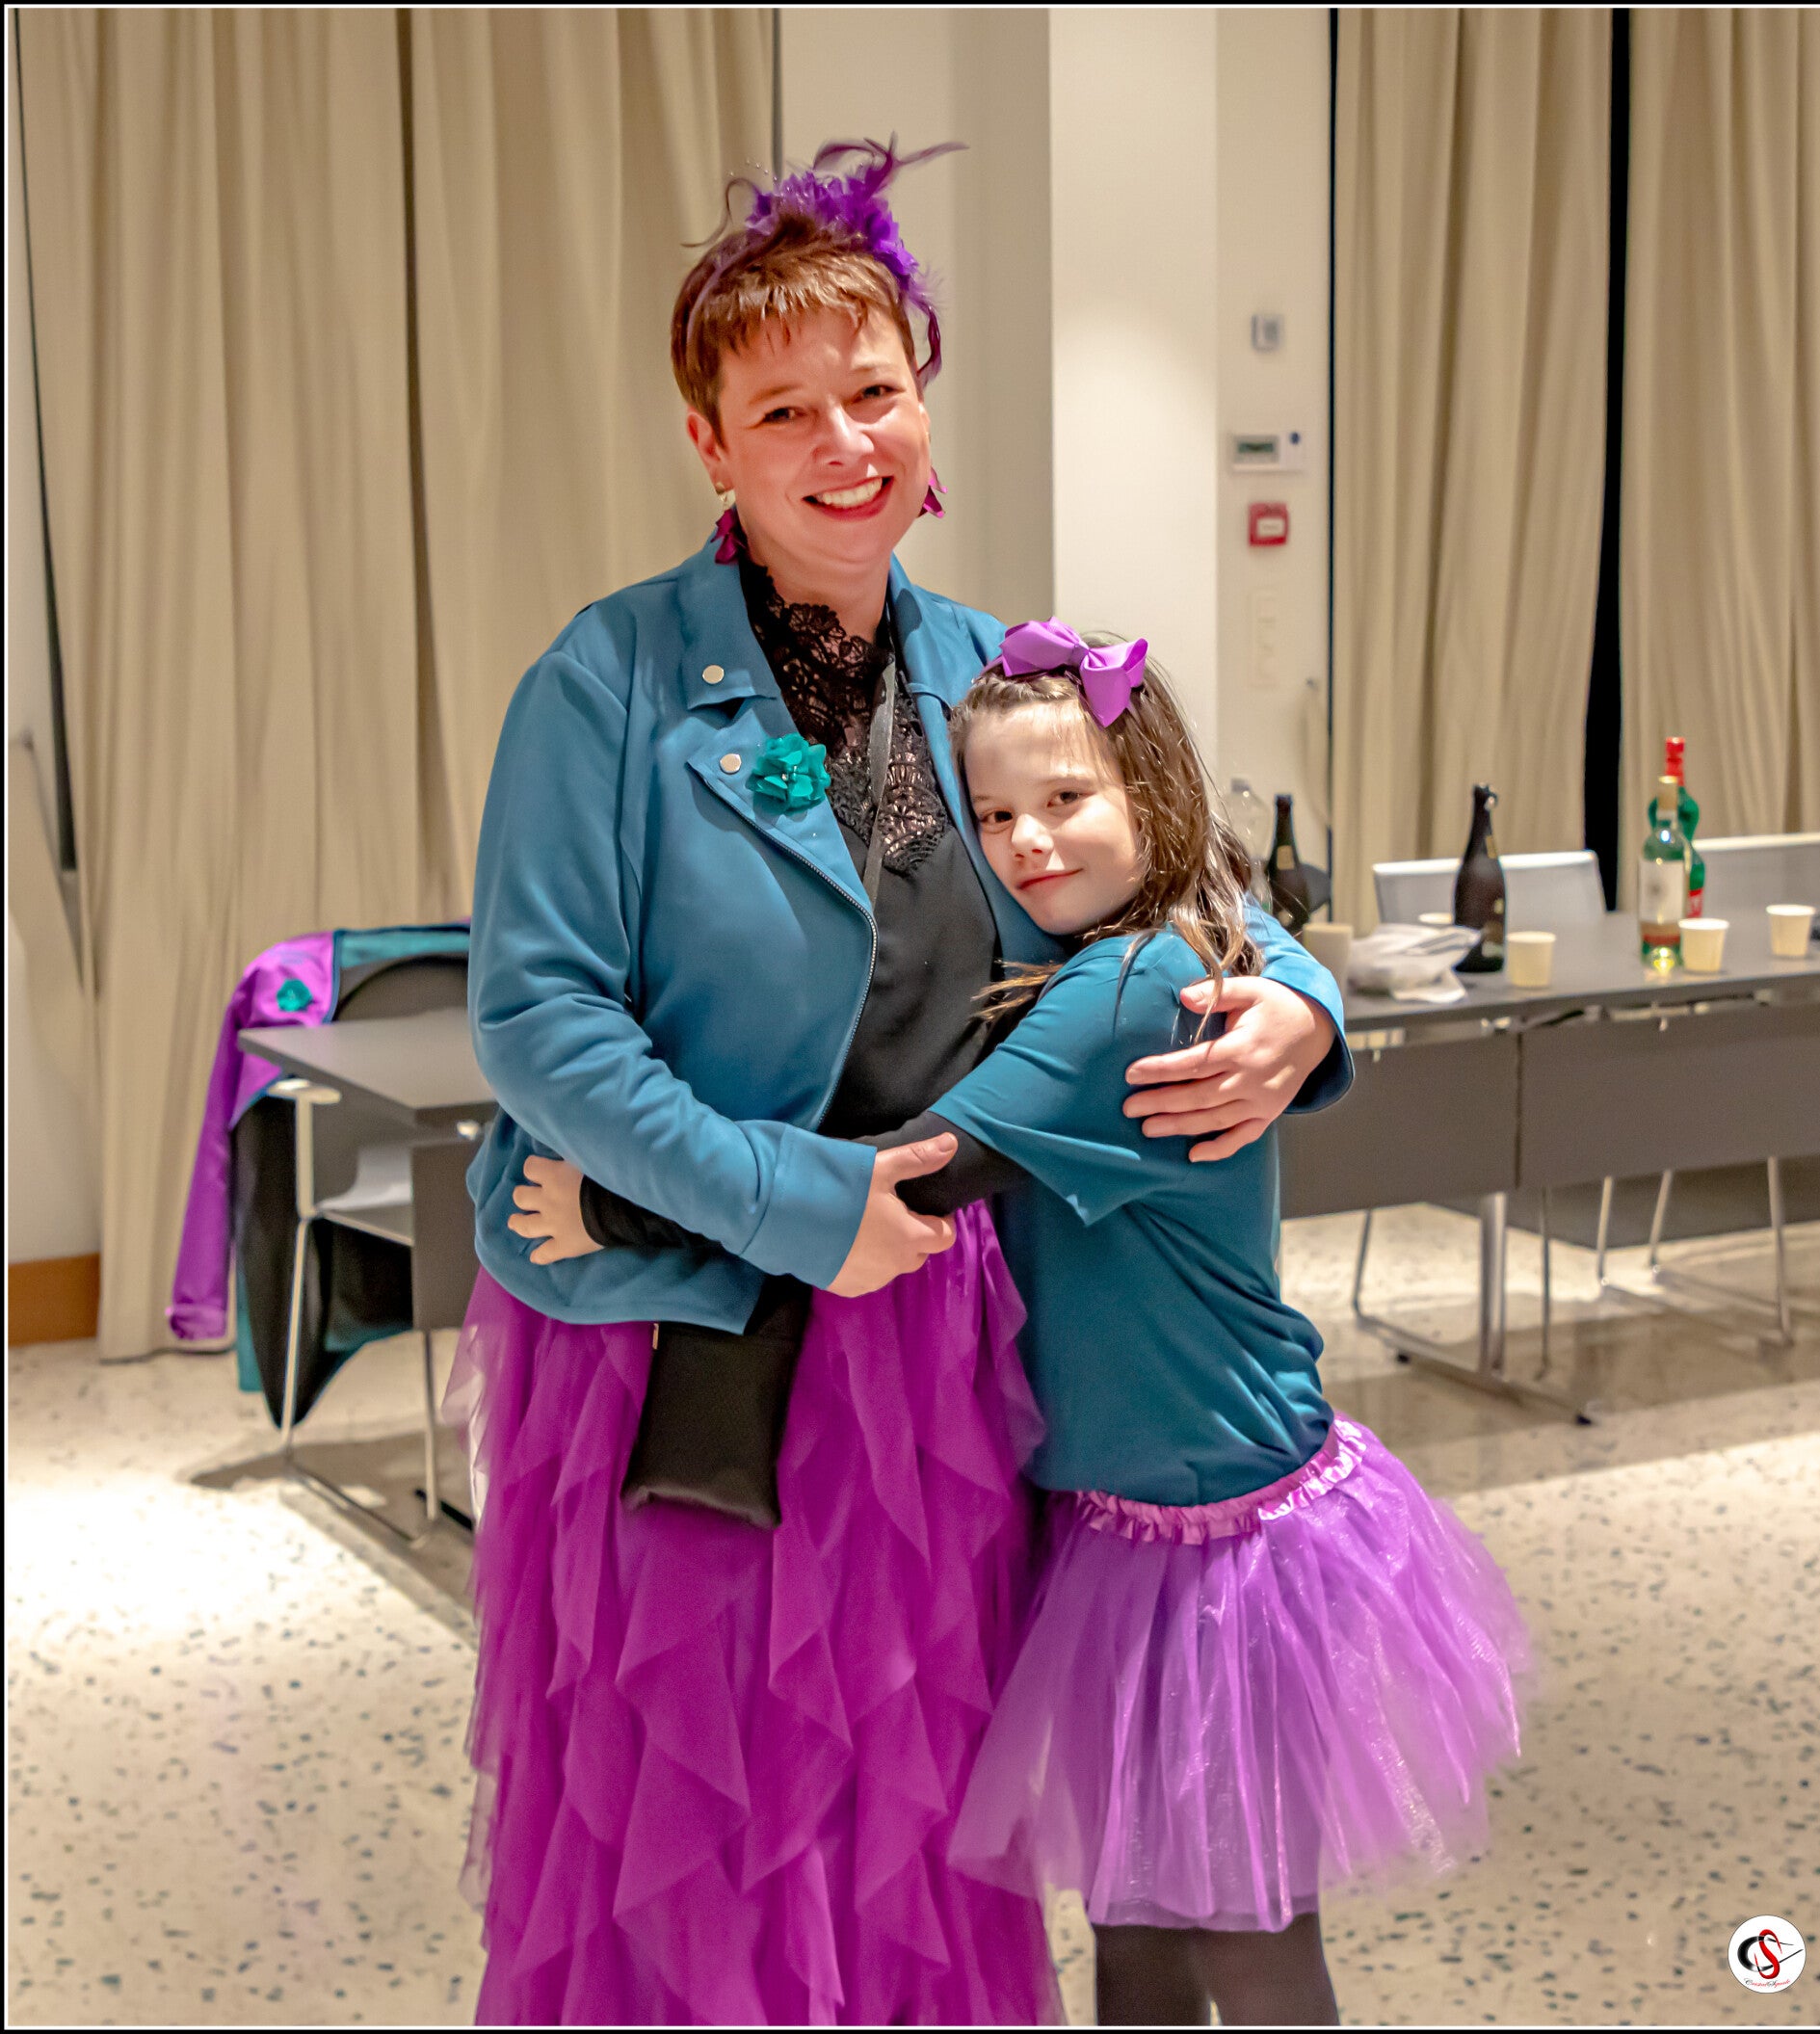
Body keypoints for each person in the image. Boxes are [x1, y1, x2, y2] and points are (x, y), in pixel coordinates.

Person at [452, 138, 1349, 2025]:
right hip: (674, 1334)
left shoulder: (1002, 672)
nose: (843, 441)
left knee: (919, 1810)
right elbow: (542, 1023)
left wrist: (1304, 1005)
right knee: (699, 1828)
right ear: (709, 443)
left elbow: (1179, 878)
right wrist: (798, 1204)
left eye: (874, 391)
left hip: (935, 1349)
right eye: (784, 409)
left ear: (926, 404)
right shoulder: (605, 684)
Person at [528, 628, 1533, 2029]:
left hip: (1219, 1537)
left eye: (1066, 800)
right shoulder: (1106, 957)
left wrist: (619, 1209)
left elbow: (899, 1180)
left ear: (1155, 794)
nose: (1027, 843)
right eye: (994, 815)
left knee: (1242, 1936)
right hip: (1133, 1523)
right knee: (1142, 1926)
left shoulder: (1123, 995)